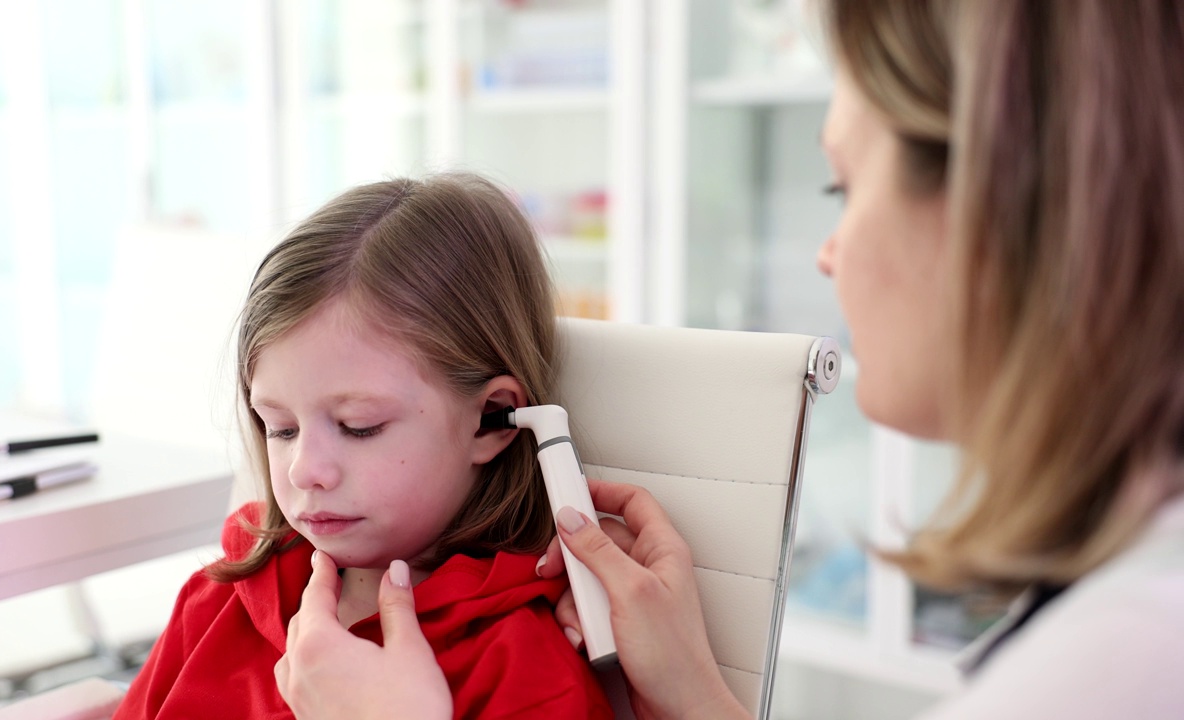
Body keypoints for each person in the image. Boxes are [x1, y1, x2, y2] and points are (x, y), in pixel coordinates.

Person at [273, 0, 1184, 718]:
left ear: (1002, 211)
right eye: (275, 424)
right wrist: (701, 701)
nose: (828, 252)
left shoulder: (1132, 655)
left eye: (844, 185)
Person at [114, 173, 614, 719]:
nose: (306, 470)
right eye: (280, 428)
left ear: (492, 421)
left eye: (359, 427)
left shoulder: (527, 676)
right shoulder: (215, 605)